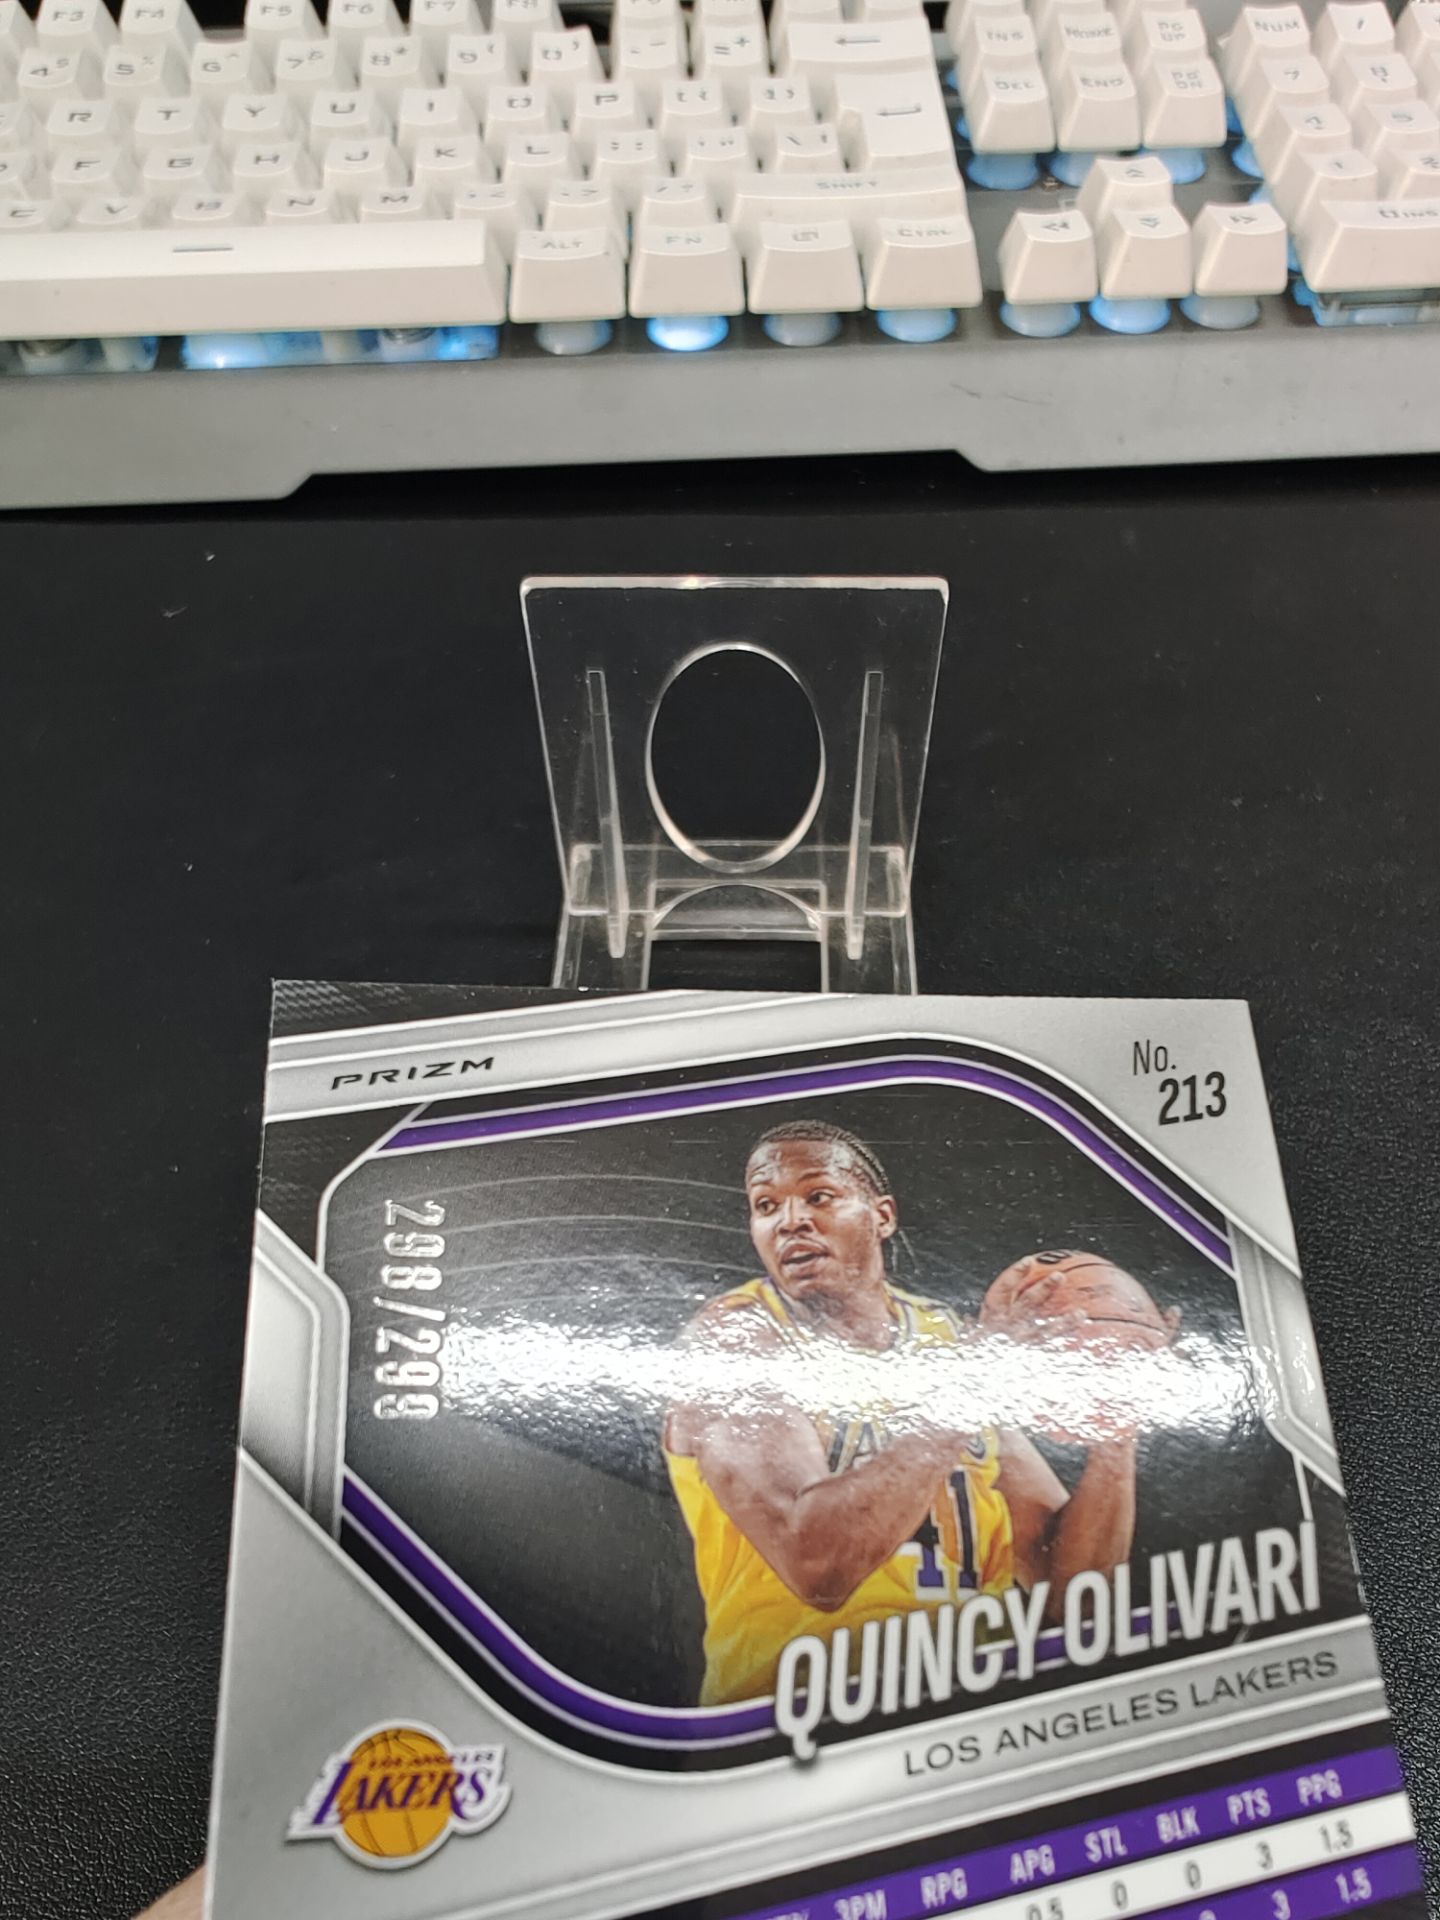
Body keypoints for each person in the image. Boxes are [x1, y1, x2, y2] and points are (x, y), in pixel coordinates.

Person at [663, 1118, 1167, 1707]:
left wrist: (1118, 1428)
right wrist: (968, 1385)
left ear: (882, 1216)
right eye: (766, 1205)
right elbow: (816, 1564)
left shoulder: (947, 1341)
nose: (790, 1221)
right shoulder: (733, 1341)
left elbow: (1070, 1596)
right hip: (799, 1717)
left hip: (975, 1699)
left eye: (819, 1196)